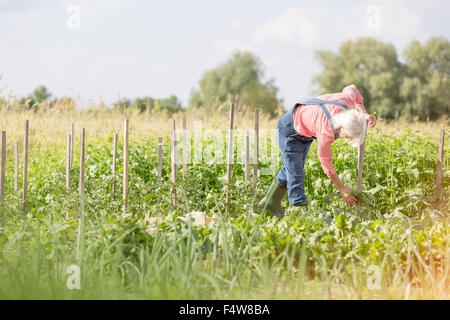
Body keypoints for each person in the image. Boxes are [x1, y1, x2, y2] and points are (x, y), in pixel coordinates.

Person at [259, 84, 377, 218]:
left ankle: (269, 203)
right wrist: (342, 188)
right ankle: (299, 214)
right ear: (341, 127)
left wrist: (364, 113)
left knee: (290, 168)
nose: (347, 138)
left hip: (305, 130)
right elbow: (327, 165)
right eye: (348, 136)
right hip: (289, 130)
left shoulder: (347, 101)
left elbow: (353, 89)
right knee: (296, 173)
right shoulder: (325, 131)